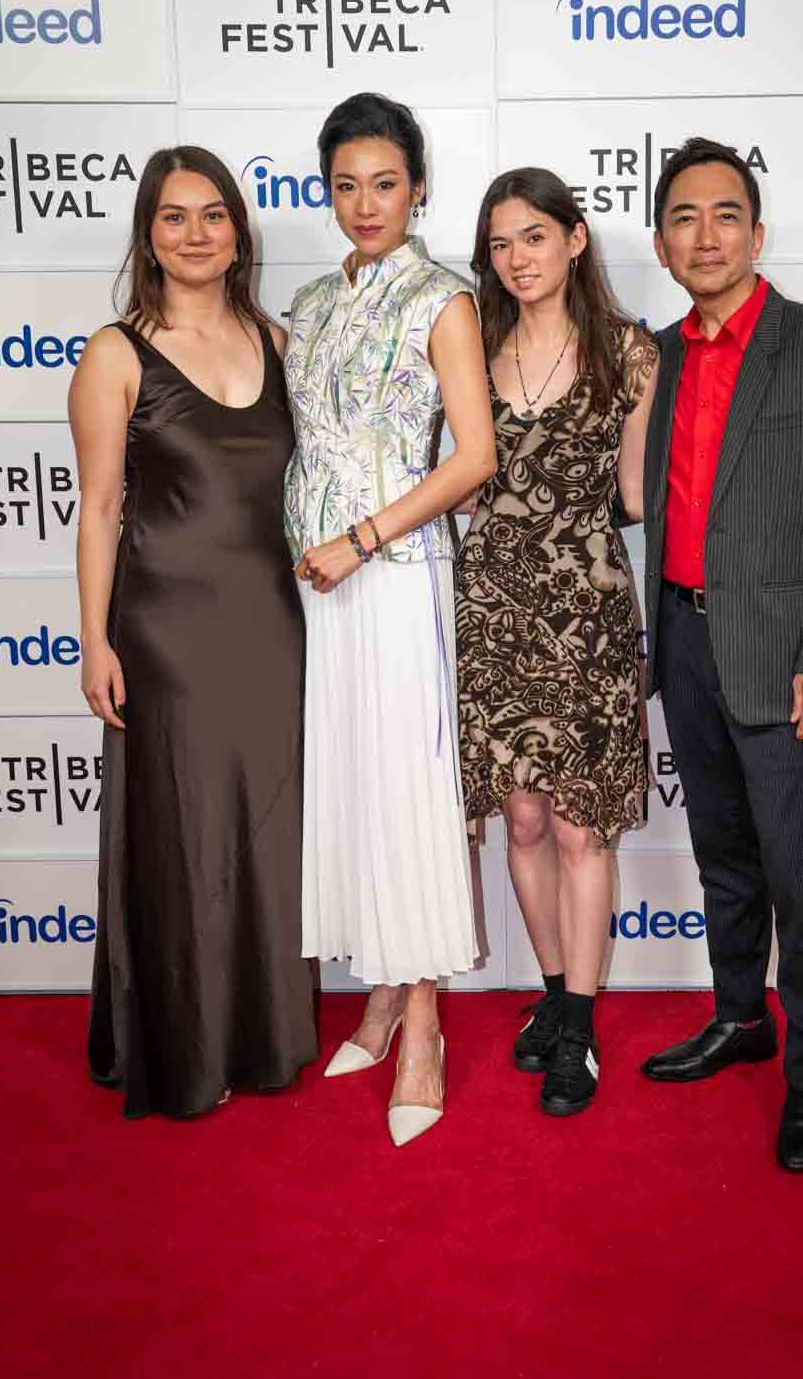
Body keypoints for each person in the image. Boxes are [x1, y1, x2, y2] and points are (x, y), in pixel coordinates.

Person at [638, 136, 803, 1171]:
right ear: (660, 242)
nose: (705, 235)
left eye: (724, 214)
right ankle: (741, 1018)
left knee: (800, 879)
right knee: (723, 861)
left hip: (786, 659)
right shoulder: (652, 356)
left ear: (756, 231)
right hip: (685, 643)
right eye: (685, 218)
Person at [69, 145, 316, 1119]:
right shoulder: (115, 353)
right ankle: (183, 1044)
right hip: (164, 631)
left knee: (263, 834)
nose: (197, 234)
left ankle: (261, 1038)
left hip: (273, 625)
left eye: (214, 215)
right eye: (175, 217)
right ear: (148, 234)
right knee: (180, 835)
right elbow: (97, 509)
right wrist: (94, 640)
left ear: (239, 231)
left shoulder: (283, 343)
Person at [284, 93, 496, 1147]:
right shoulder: (315, 301)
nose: (364, 204)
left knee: (410, 793)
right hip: (318, 589)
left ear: (418, 187)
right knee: (358, 790)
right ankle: (377, 987)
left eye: (384, 182)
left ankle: (423, 1024)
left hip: (396, 570)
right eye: (343, 185)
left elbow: (473, 458)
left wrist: (359, 540)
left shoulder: (442, 301)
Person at [456, 167, 659, 1118]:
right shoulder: (474, 342)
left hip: (585, 615)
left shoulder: (630, 354)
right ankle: (551, 993)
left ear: (575, 239)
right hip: (491, 612)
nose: (517, 259)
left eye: (534, 236)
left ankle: (578, 1025)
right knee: (525, 821)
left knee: (580, 824)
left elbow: (633, 500)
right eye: (500, 243)